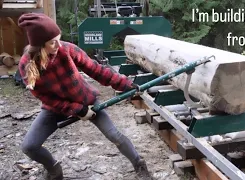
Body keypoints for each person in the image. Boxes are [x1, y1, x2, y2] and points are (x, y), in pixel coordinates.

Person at [17, 12, 152, 180]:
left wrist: (125, 84)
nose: (59, 44)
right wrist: (77, 110)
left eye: (59, 38)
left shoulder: (67, 49)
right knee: (29, 146)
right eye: (52, 42)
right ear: (39, 46)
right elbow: (45, 97)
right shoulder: (27, 66)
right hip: (56, 108)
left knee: (114, 135)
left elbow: (97, 70)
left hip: (86, 101)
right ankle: (53, 169)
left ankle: (139, 163)